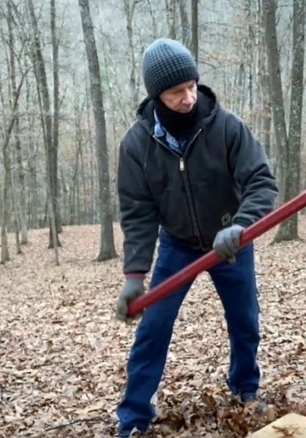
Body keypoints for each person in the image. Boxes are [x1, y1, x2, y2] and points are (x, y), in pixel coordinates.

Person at [112, 38, 278, 437]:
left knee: (245, 321)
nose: (188, 98)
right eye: (175, 92)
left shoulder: (226, 127)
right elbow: (138, 213)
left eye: (191, 86)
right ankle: (134, 417)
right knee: (154, 328)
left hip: (231, 241)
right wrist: (135, 276)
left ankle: (245, 388)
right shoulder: (137, 146)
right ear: (156, 95)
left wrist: (242, 224)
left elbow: (261, 181)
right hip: (178, 244)